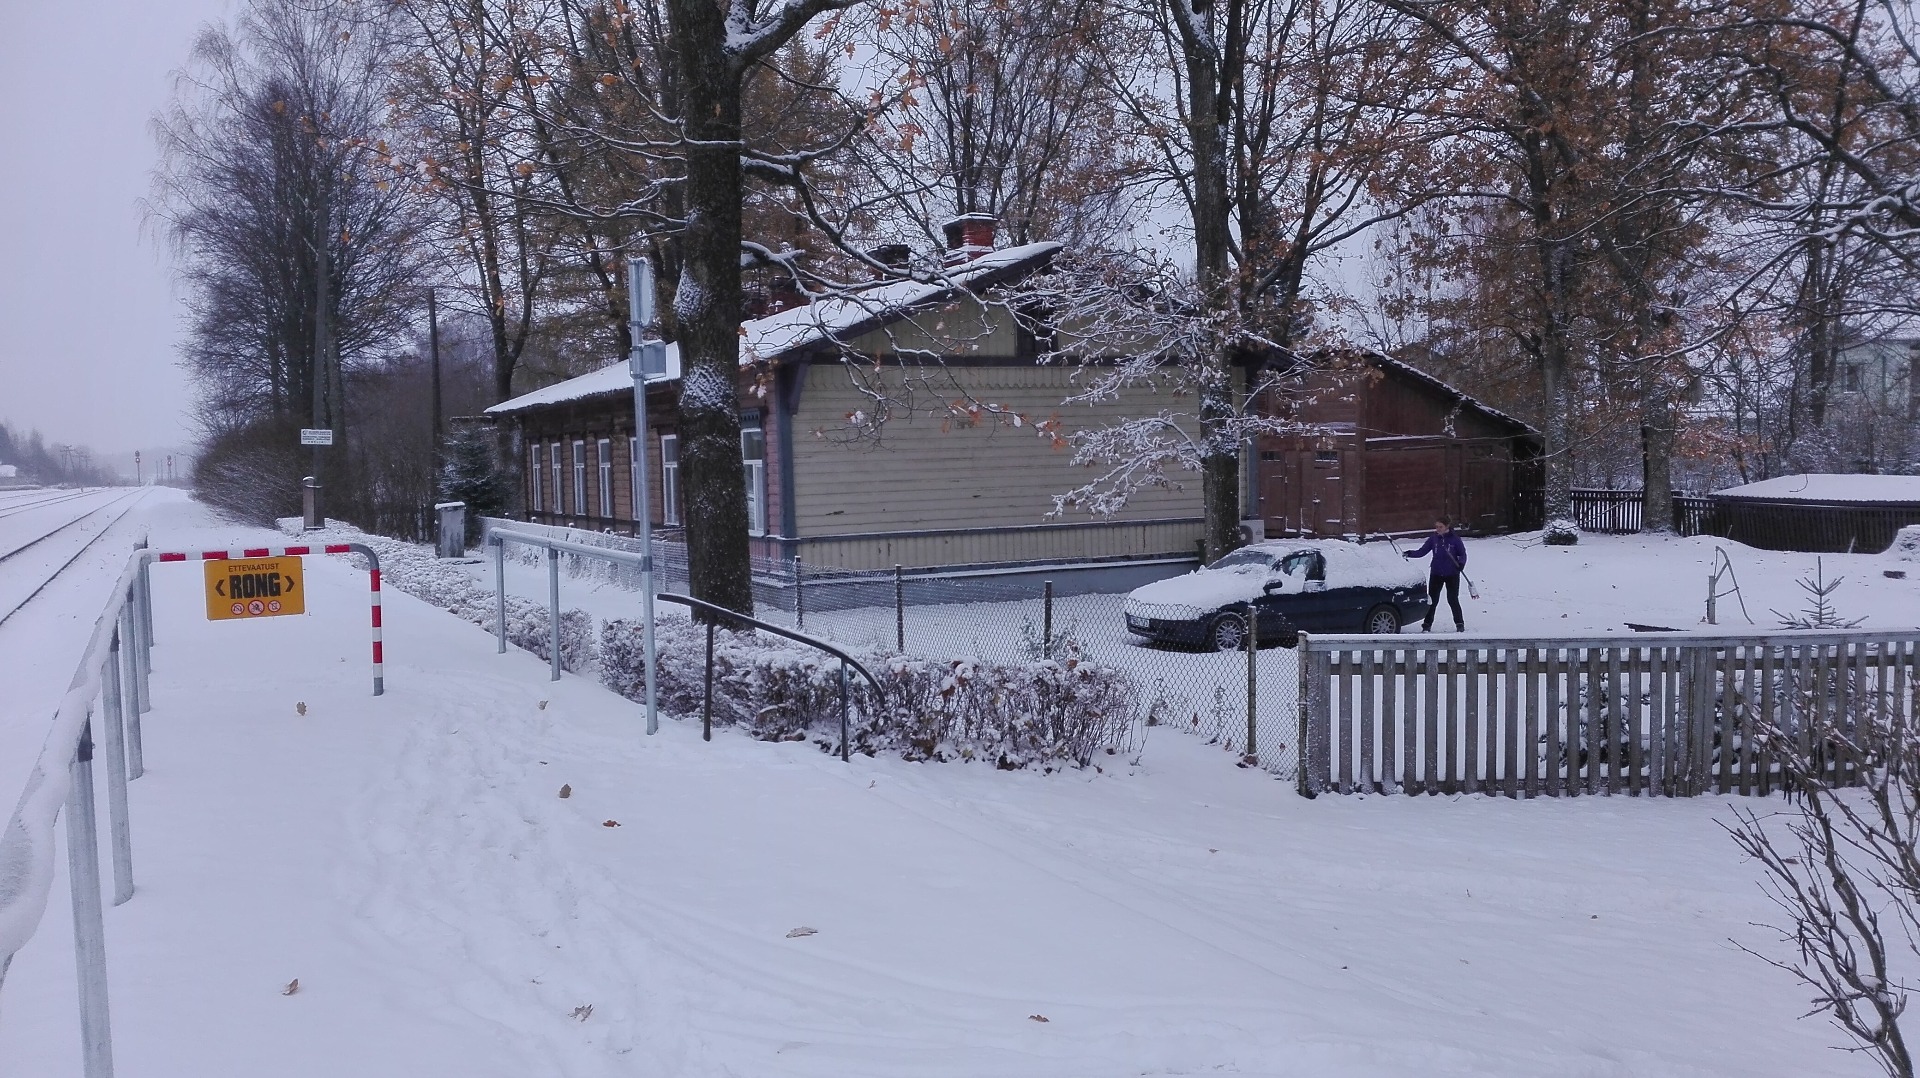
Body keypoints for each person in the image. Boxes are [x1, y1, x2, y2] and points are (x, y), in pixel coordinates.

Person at [1403, 517, 1466, 632]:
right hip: (1436, 573)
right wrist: (1409, 553)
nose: (1438, 529)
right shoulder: (1433, 539)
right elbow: (1422, 551)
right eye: (1436, 527)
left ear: (1447, 526)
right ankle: (1427, 625)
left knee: (1452, 599)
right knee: (1432, 600)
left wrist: (1461, 564)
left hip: (1452, 574)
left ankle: (1459, 623)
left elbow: (1462, 554)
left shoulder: (1455, 539)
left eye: (1440, 527)